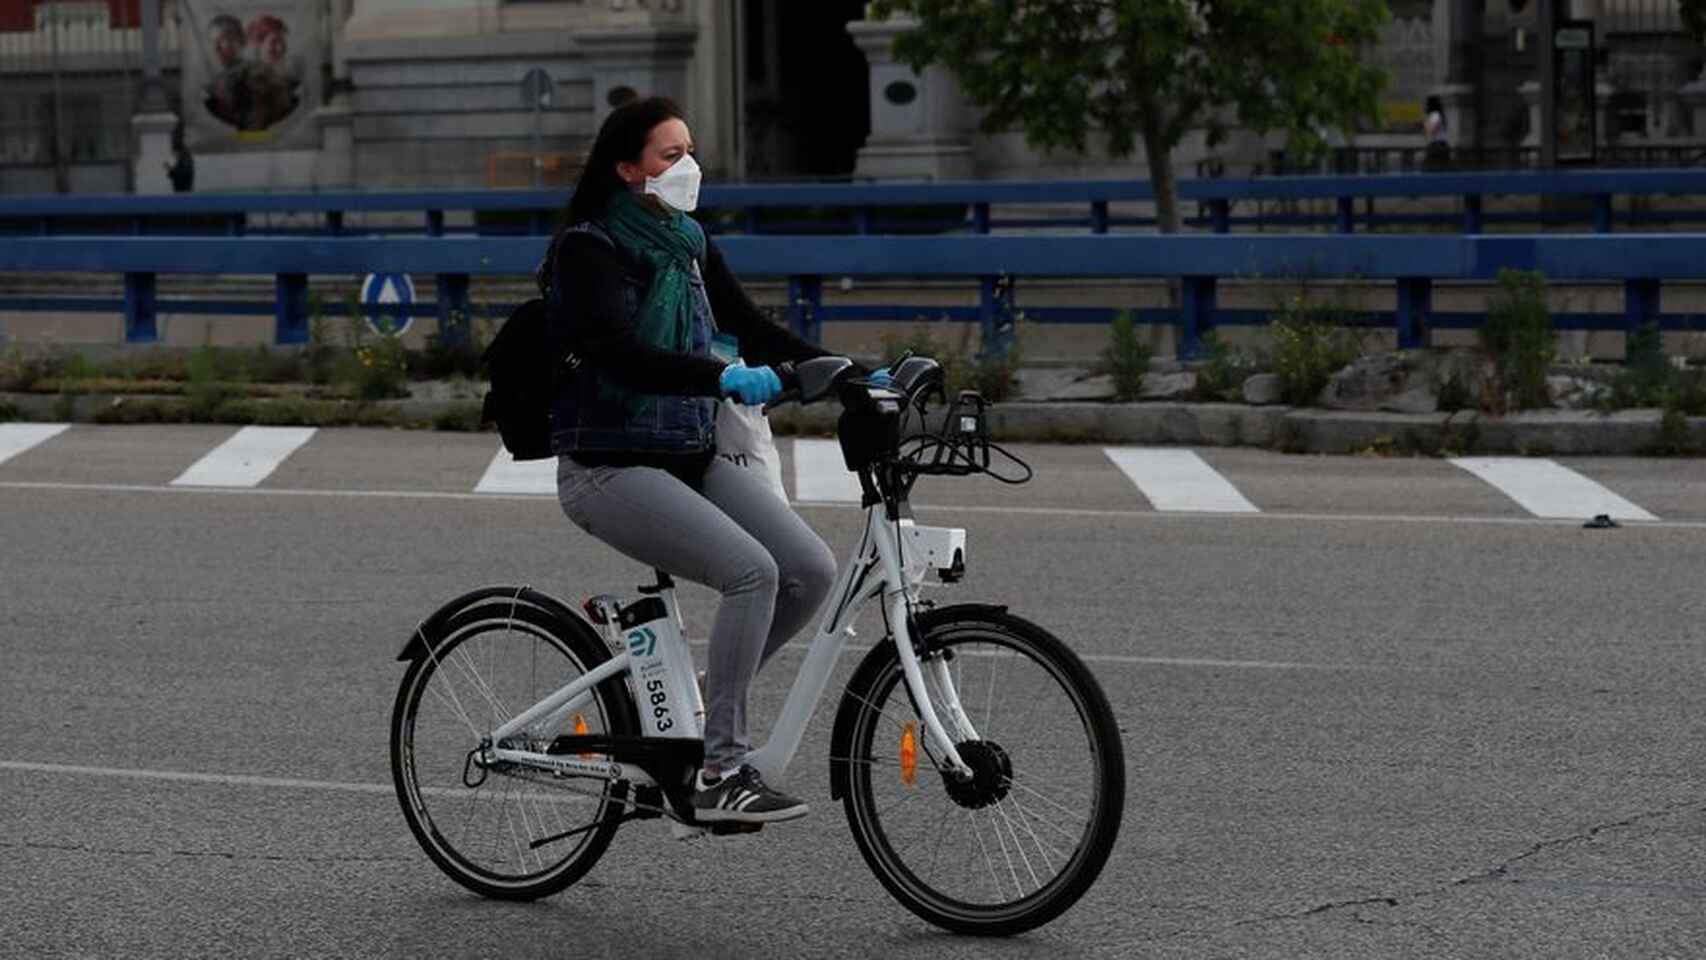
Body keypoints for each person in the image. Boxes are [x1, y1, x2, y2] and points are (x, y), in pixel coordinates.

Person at [544, 98, 882, 825]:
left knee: (810, 570)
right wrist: (719, 376)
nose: (687, 167)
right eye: (670, 156)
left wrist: (849, 371)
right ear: (627, 167)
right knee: (751, 571)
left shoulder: (687, 242)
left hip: (686, 452)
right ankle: (719, 769)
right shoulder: (589, 247)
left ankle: (695, 706)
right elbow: (619, 355)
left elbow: (750, 327)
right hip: (608, 468)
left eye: (689, 150)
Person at [1423, 95, 1450, 170]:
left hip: (1437, 146)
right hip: (1440, 145)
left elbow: (1431, 130)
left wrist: (1425, 122)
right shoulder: (1438, 115)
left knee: (1432, 168)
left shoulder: (1434, 115)